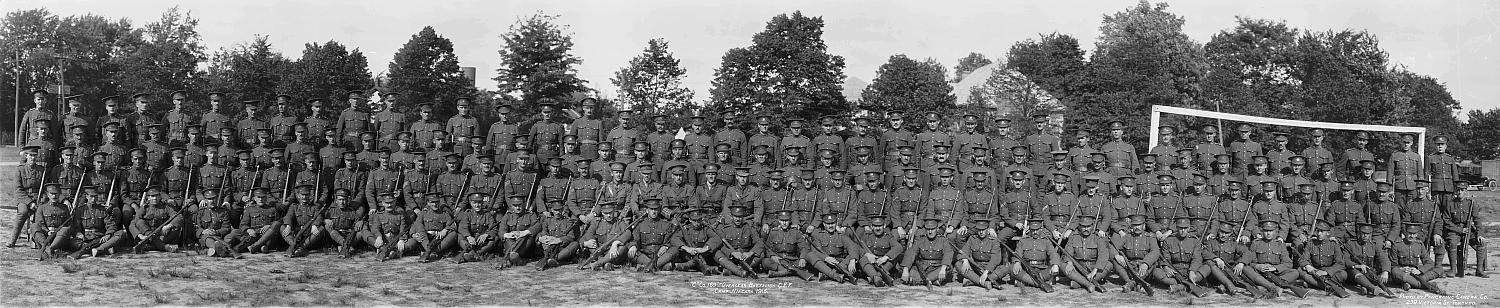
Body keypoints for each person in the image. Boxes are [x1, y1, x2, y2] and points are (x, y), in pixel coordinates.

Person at [1444, 180, 1488, 278]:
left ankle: (1479, 269)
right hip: (1454, 230)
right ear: (1455, 191)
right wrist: (1459, 230)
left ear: (1466, 191)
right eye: (1458, 190)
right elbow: (1446, 221)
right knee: (1452, 243)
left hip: (1468, 229)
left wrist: (1480, 233)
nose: (1460, 192)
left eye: (1462, 190)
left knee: (1481, 243)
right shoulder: (1450, 203)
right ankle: (1453, 269)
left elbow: (1477, 220)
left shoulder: (1470, 203)